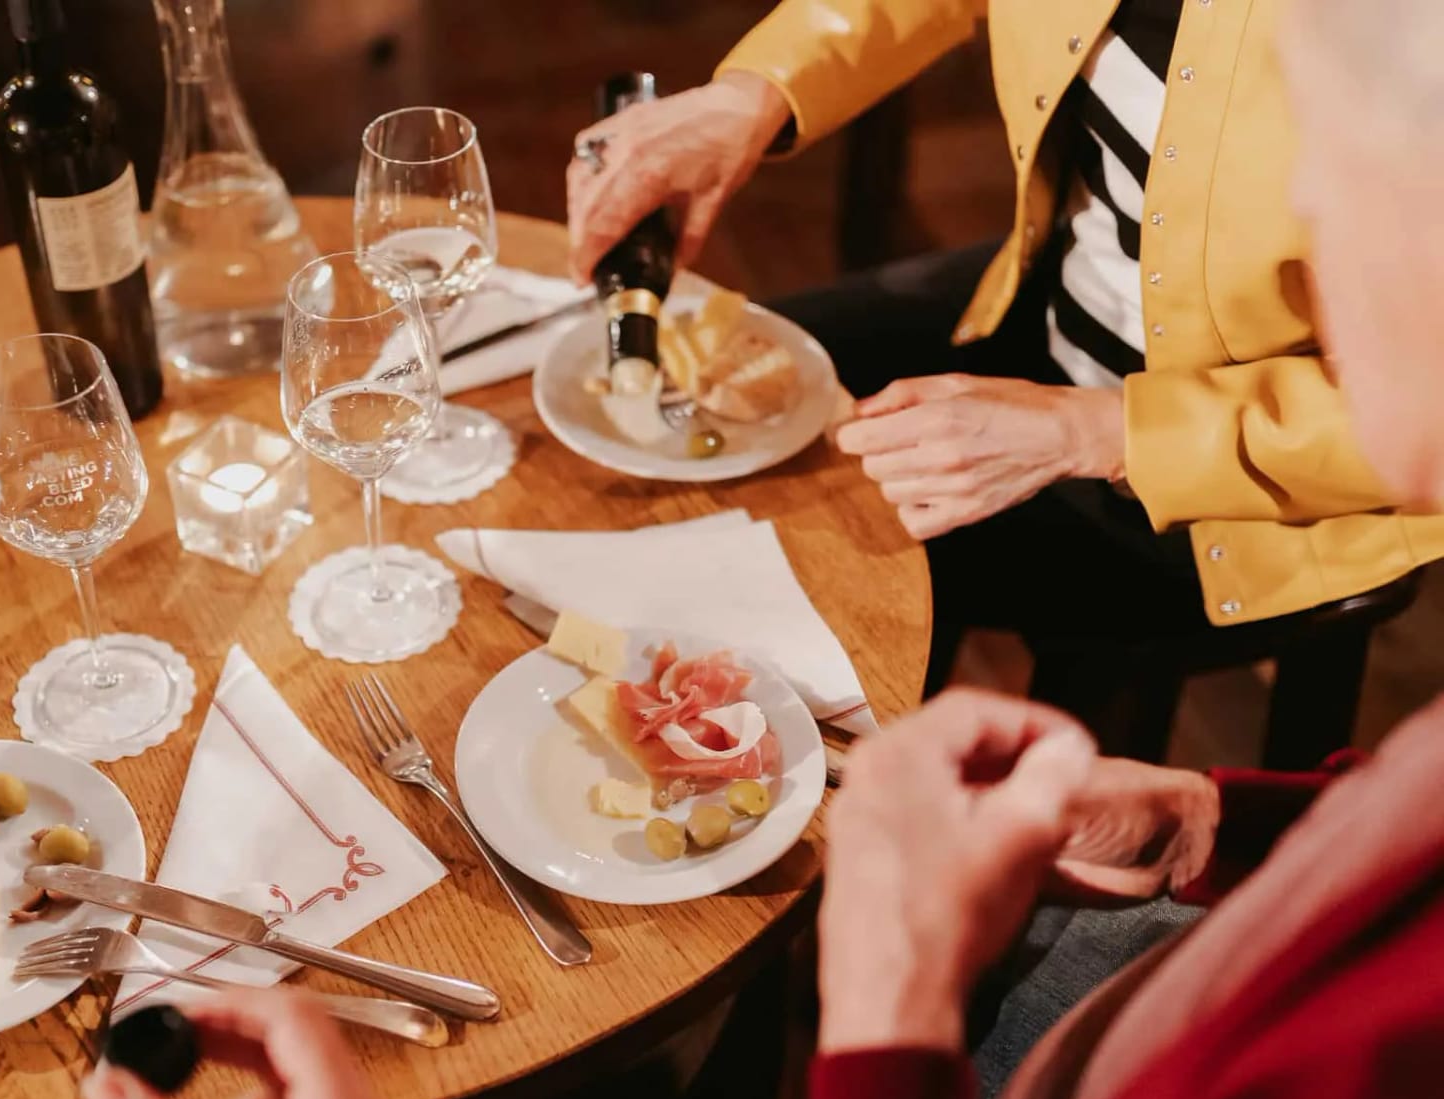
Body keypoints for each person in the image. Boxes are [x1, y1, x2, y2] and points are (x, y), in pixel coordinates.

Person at [82, 2, 1444, 1099]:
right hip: (1041, 309)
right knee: (711, 473)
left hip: (1239, 484)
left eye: (1342, 173)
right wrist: (1224, 822)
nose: (1310, 201)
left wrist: (886, 1011)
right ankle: (699, 1075)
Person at [565, 0, 1444, 697]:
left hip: (1260, 493)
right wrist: (752, 95)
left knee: (805, 550)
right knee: (706, 434)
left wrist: (1099, 432)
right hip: (1059, 293)